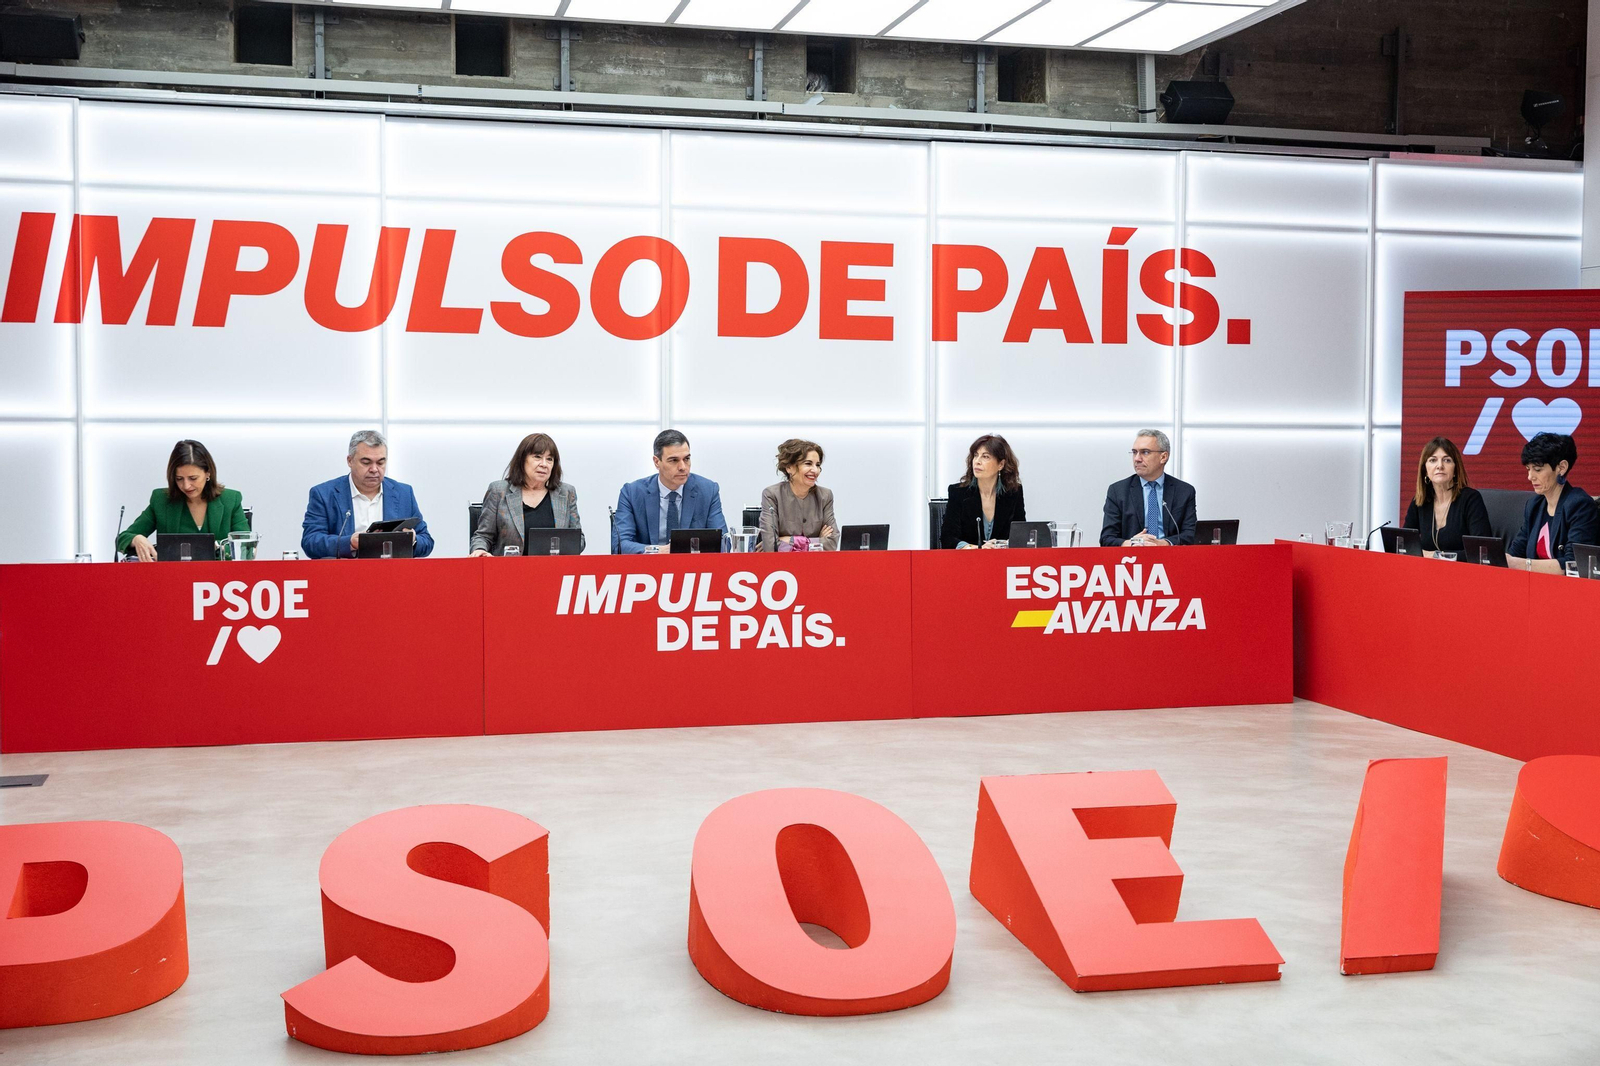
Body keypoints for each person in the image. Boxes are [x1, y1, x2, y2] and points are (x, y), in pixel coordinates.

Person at [301, 429, 434, 559]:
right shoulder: (324, 494)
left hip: (393, 576)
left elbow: (426, 541)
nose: (374, 469)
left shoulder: (404, 493)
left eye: (381, 462)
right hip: (343, 576)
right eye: (366, 462)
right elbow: (310, 541)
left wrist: (412, 540)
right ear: (350, 461)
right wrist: (349, 543)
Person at [119, 440, 248, 561]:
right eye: (179, 479)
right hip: (172, 578)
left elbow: (246, 547)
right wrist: (136, 539)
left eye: (193, 478)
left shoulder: (231, 500)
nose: (186, 486)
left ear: (208, 473)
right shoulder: (161, 500)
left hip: (219, 580)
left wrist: (216, 546)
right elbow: (122, 538)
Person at [614, 429, 727, 554]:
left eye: (687, 459)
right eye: (674, 460)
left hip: (694, 568)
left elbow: (722, 542)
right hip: (647, 569)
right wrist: (658, 551)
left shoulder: (708, 491)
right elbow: (620, 545)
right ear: (657, 462)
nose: (683, 467)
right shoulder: (632, 493)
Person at [471, 433, 583, 556]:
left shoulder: (566, 493)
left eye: (549, 459)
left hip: (553, 571)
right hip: (508, 571)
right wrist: (479, 550)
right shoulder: (499, 491)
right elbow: (483, 536)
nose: (544, 464)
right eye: (537, 457)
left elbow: (579, 540)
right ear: (522, 460)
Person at [1508, 432, 1599, 574]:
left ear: (1561, 468)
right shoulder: (1534, 505)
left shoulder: (1580, 505)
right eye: (1528, 469)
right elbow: (1516, 551)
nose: (1530, 477)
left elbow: (1573, 564)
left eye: (1537, 469)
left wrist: (1520, 564)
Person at [1100, 429, 1197, 547]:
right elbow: (1106, 539)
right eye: (1134, 452)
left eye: (1145, 452)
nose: (1137, 458)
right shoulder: (1118, 491)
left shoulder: (1184, 491)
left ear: (1163, 457)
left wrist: (1164, 543)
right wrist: (1129, 543)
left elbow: (1190, 535)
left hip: (1171, 558)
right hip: (1132, 560)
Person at [1403, 436, 1491, 555]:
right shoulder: (1420, 501)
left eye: (1447, 460)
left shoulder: (1470, 499)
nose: (1440, 466)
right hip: (1425, 572)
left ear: (1455, 469)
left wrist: (1436, 556)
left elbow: (1482, 551)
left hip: (1462, 572)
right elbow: (1403, 545)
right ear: (1425, 470)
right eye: (1433, 460)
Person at [940, 434, 1025, 549]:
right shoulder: (958, 493)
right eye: (976, 456)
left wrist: (1005, 545)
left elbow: (1020, 535)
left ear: (1001, 464)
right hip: (967, 562)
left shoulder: (1013, 492)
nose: (977, 461)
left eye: (985, 457)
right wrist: (977, 549)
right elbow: (948, 537)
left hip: (1003, 562)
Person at [758, 439, 837, 551]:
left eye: (818, 465)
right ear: (789, 467)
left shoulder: (825, 496)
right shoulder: (772, 495)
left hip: (816, 564)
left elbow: (832, 543)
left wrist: (792, 541)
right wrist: (817, 541)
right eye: (808, 463)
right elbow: (770, 546)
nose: (815, 470)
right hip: (781, 566)